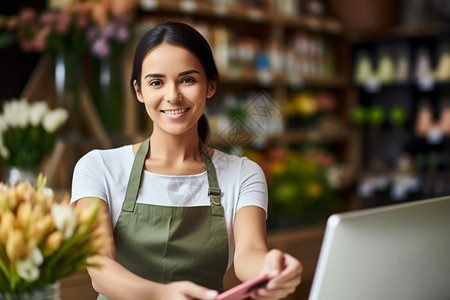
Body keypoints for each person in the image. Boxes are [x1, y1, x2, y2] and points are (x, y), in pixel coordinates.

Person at [71, 21, 302, 300]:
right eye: (156, 82)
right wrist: (161, 295)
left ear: (210, 86)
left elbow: (249, 253)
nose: (172, 96)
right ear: (139, 91)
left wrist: (270, 269)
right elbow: (99, 266)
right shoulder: (97, 167)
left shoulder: (243, 173)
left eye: (187, 80)